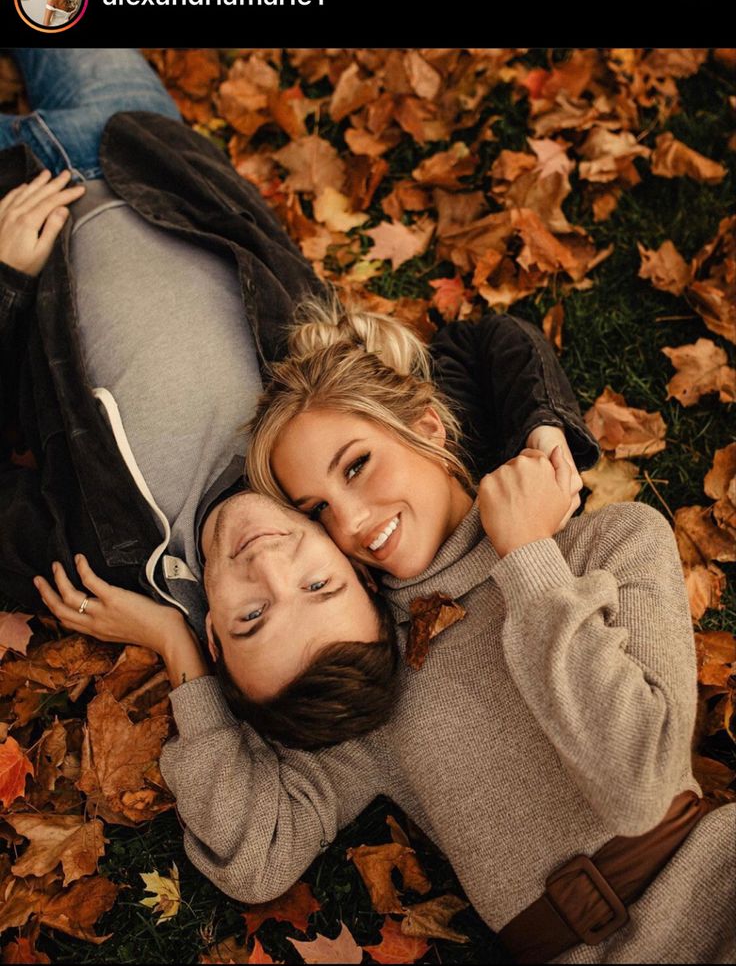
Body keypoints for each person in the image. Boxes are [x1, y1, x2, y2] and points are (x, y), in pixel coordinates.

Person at [37, 307, 735, 963]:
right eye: (315, 508)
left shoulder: (611, 544)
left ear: (429, 427)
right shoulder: (367, 664)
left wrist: (528, 561)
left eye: (357, 466)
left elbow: (643, 783)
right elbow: (256, 856)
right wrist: (183, 654)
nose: (350, 522)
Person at [2, 48, 599, 738]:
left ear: (216, 642)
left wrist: (9, 281)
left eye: (252, 615)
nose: (267, 563)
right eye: (320, 585)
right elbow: (492, 348)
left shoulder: (107, 560)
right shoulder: (344, 452)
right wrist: (546, 436)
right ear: (360, 572)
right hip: (137, 143)